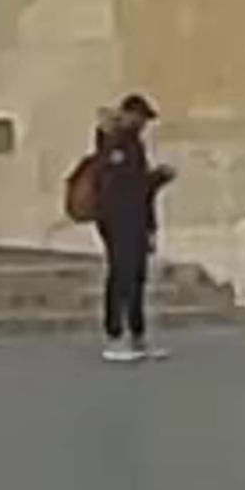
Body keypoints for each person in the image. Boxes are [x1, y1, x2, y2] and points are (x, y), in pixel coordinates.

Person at [81, 90, 171, 357]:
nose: (143, 124)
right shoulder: (114, 144)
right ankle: (115, 335)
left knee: (137, 278)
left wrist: (150, 227)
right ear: (129, 115)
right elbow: (122, 186)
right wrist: (156, 178)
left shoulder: (134, 145)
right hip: (118, 220)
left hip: (135, 220)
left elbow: (140, 191)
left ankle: (137, 334)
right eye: (140, 117)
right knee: (120, 276)